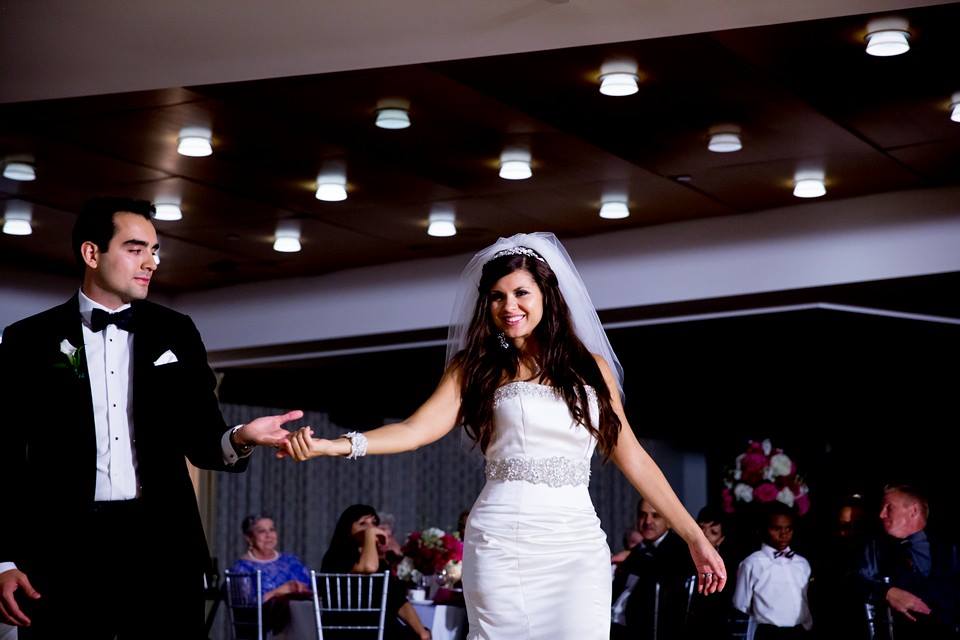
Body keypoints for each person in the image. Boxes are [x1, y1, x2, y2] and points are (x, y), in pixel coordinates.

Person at [282, 233, 726, 639]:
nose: (508, 306)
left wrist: (694, 537)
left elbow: (632, 455)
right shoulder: (475, 367)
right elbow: (415, 430)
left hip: (577, 544)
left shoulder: (592, 367)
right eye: (496, 297)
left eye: (520, 293)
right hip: (503, 540)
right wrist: (336, 445)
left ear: (547, 296)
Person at [0, 197, 300, 638]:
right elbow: (5, 455)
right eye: (136, 249)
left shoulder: (177, 330)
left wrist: (241, 436)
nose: (151, 263)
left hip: (163, 545)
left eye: (155, 250)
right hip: (62, 550)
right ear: (91, 253)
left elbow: (203, 439)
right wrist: (3, 558)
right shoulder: (28, 339)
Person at [858, 484, 960, 639]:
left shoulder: (948, 548)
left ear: (913, 511)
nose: (881, 514)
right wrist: (887, 592)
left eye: (889, 508)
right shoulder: (874, 547)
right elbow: (856, 580)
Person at [321, 504, 430, 640]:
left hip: (380, 627)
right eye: (363, 524)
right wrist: (370, 534)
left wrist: (421, 632)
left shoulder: (380, 562)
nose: (371, 528)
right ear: (348, 529)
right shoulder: (336, 555)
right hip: (348, 628)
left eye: (373, 523)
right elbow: (368, 568)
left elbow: (398, 602)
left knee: (421, 634)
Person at [611, 497, 695, 640]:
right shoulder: (638, 551)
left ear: (669, 521)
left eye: (655, 515)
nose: (647, 521)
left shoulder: (679, 552)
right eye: (643, 515)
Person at [732, 503, 812, 640]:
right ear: (763, 529)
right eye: (776, 529)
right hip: (768, 632)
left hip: (800, 631)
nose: (784, 534)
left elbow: (806, 599)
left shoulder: (802, 563)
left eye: (788, 529)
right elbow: (741, 604)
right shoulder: (752, 563)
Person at [228, 514, 311, 602]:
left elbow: (311, 591)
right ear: (249, 538)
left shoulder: (291, 561)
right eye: (262, 531)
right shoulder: (241, 569)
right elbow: (247, 605)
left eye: (272, 530)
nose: (269, 535)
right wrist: (277, 592)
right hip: (263, 615)